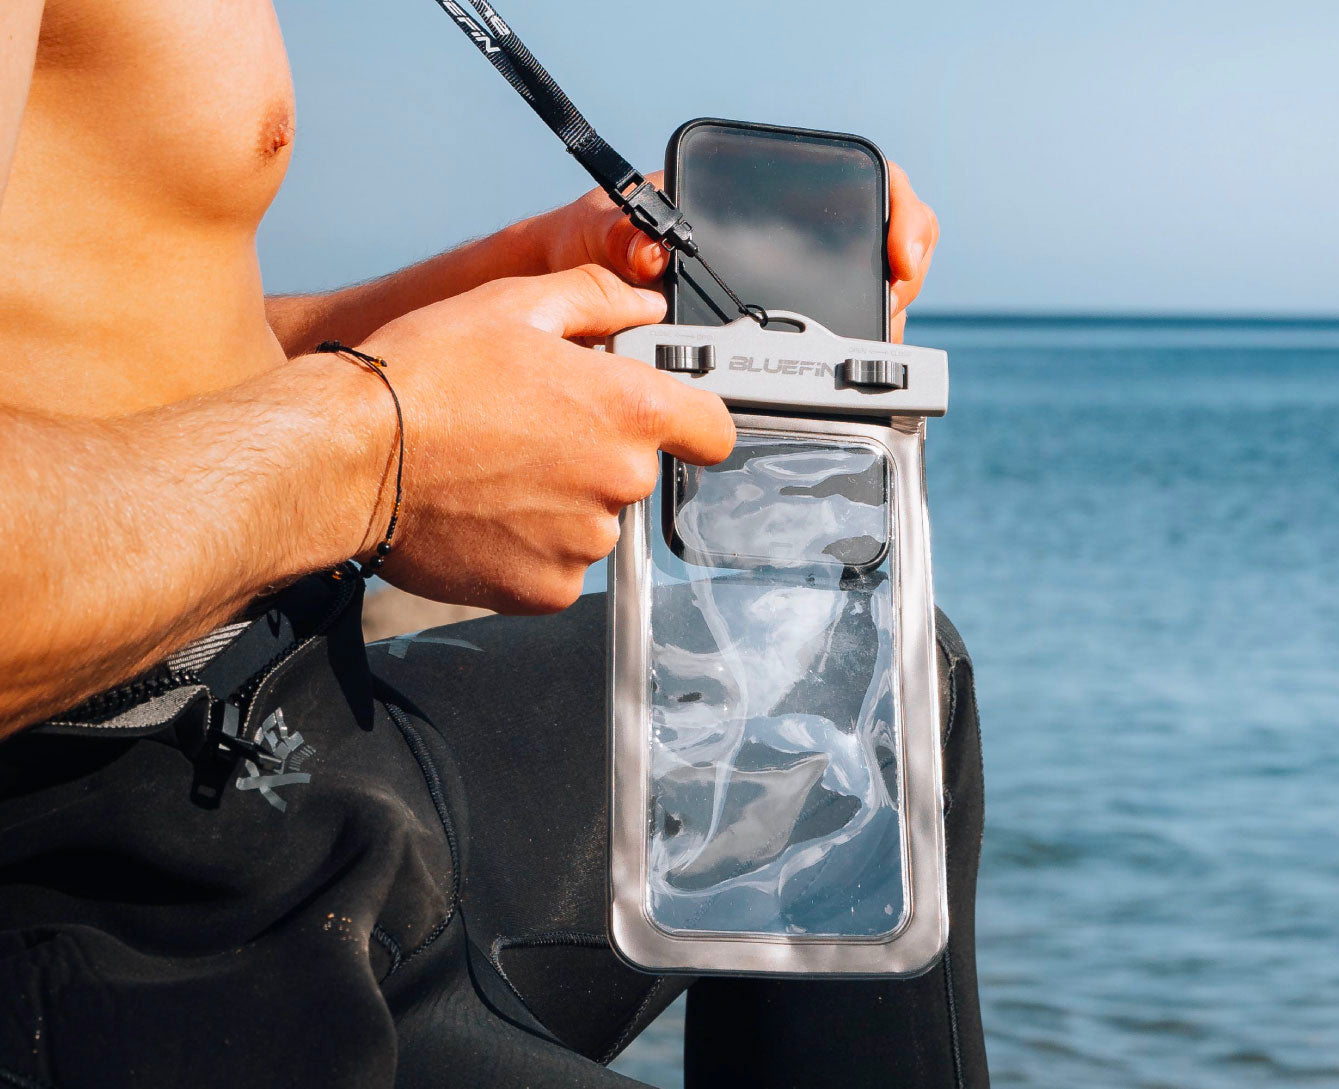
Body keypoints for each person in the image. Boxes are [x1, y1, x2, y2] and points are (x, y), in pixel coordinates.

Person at [0, 2, 986, 1086]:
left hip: (306, 728)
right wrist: (382, 451)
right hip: (112, 881)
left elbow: (126, 345)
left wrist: (517, 288)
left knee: (889, 676)